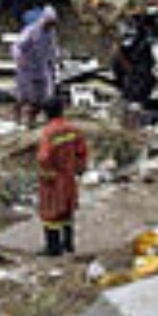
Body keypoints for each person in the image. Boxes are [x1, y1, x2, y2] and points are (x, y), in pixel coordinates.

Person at [36, 95, 90, 257]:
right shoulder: (73, 129)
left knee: (50, 213)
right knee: (67, 210)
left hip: (53, 178)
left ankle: (53, 248)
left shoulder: (49, 132)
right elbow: (82, 152)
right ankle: (68, 244)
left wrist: (45, 175)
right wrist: (79, 169)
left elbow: (44, 157)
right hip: (69, 177)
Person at [12, 5, 61, 127]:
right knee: (25, 96)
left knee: (42, 96)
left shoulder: (51, 32)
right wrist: (18, 58)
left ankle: (31, 119)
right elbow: (17, 46)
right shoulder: (31, 31)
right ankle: (17, 114)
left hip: (41, 66)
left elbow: (52, 48)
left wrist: (56, 58)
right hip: (26, 67)